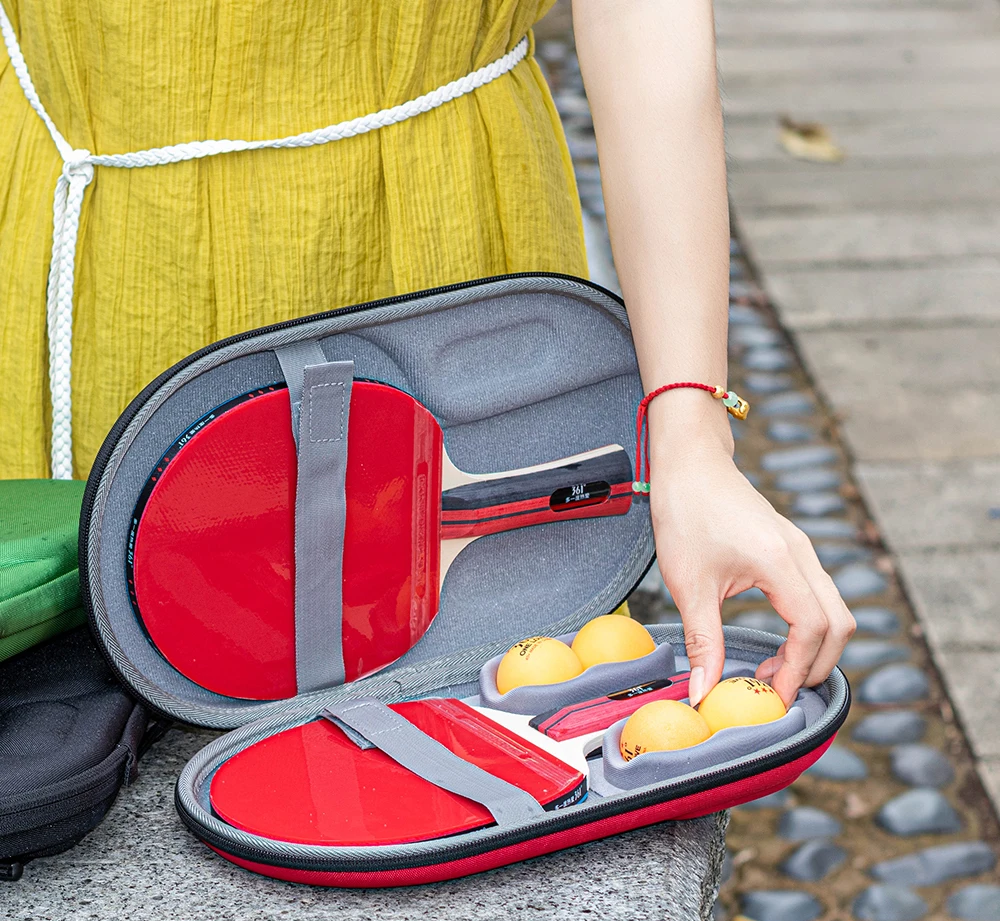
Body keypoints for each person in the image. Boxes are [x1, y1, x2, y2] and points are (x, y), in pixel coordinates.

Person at [0, 0, 854, 704]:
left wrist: (693, 440)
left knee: (440, 747)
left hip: (424, 261)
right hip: (86, 255)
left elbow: (641, 23)